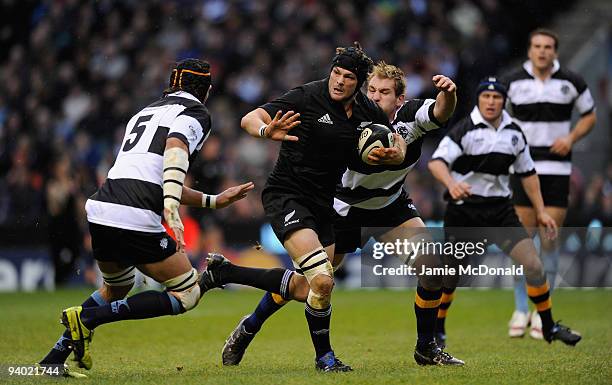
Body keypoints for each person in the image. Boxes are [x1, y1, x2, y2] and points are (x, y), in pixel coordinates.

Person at [38, 58, 294, 377]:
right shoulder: (196, 113)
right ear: (207, 91)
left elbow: (152, 173)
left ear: (172, 83)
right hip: (136, 214)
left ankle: (52, 359)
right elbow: (176, 147)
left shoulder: (144, 112)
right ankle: (89, 319)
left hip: (103, 209)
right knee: (187, 292)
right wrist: (171, 205)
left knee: (117, 287)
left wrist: (213, 201)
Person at [222, 61, 465, 366]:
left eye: (385, 92)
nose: (375, 97)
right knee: (307, 284)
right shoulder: (353, 116)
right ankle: (249, 327)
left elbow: (442, 111)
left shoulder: (411, 116)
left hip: (390, 208)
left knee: (432, 270)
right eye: (372, 89)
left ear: (400, 99)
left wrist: (449, 93)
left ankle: (426, 348)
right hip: (342, 210)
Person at [231, 43, 389, 372]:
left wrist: (393, 152)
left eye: (348, 77)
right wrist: (265, 130)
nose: (339, 81)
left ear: (358, 83)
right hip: (287, 194)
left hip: (323, 204)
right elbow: (250, 117)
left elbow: (391, 141)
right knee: (322, 280)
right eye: (336, 73)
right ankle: (324, 358)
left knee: (307, 286)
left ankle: (241, 307)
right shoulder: (307, 96)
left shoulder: (367, 113)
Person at [428, 76, 581, 348]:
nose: (491, 102)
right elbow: (437, 163)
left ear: (503, 101)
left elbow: (528, 173)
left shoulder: (514, 133)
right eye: (486, 97)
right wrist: (451, 184)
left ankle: (548, 326)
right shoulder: (464, 129)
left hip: (500, 211)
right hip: (465, 212)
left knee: (533, 264)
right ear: (478, 100)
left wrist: (542, 212)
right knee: (450, 276)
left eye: (496, 97)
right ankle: (437, 330)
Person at [501, 29, 596, 339]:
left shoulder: (571, 81)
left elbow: (590, 115)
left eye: (548, 47)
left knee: (549, 238)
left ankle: (543, 314)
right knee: (522, 241)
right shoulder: (513, 82)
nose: (542, 52)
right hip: (522, 167)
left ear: (555, 52)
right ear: (529, 50)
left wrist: (570, 138)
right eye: (537, 47)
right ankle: (519, 308)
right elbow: (498, 117)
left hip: (556, 170)